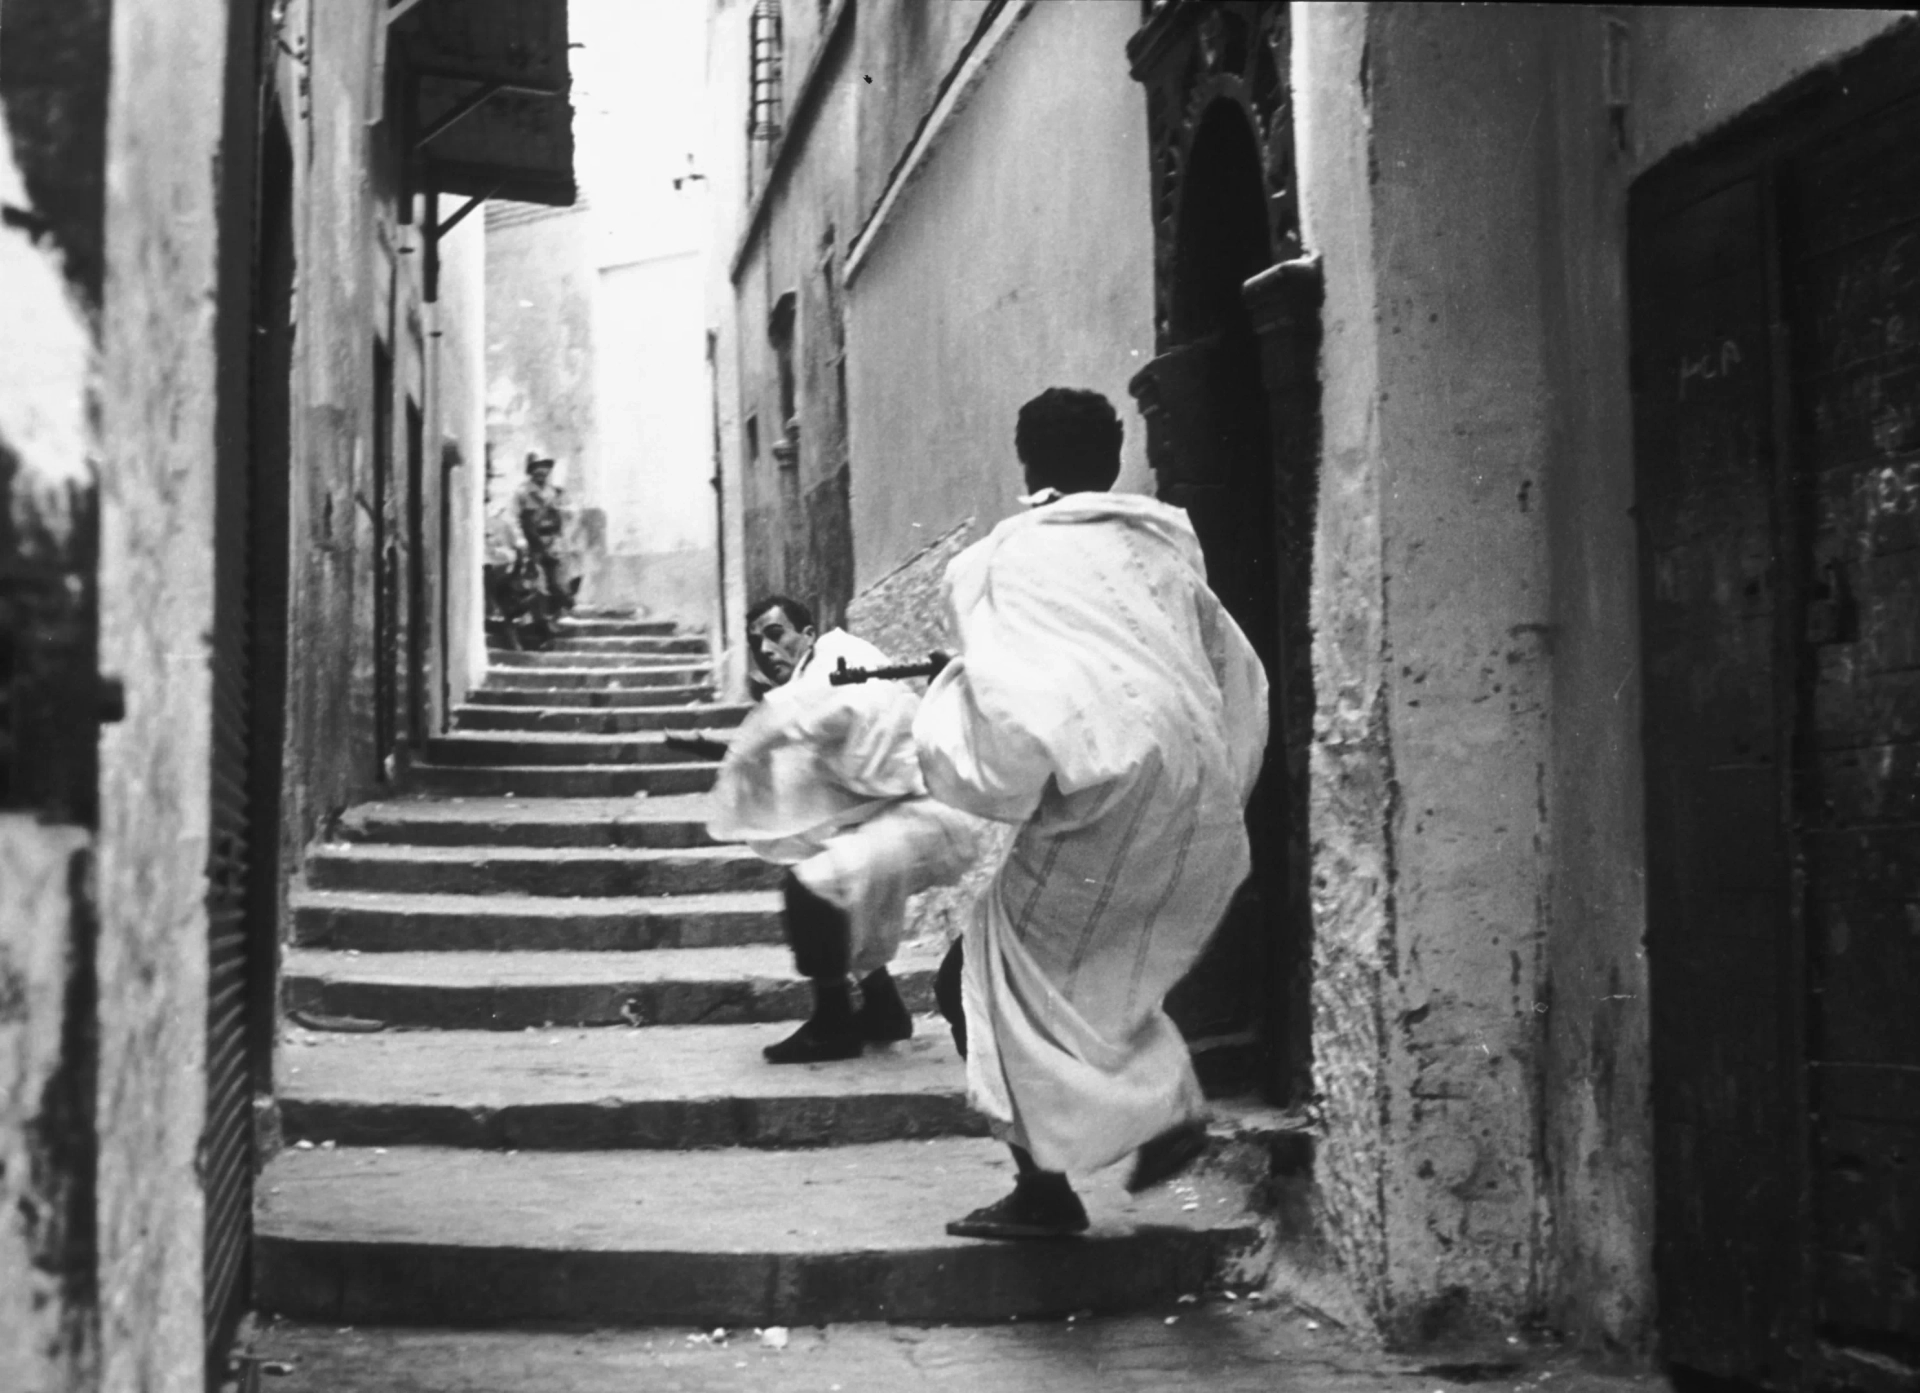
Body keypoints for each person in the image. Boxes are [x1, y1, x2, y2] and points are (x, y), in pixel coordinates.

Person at [913, 387, 1269, 1239]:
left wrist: (946, 699)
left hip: (1103, 790)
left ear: (1026, 462)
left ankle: (1063, 1180)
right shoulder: (1165, 545)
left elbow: (1011, 709)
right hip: (1194, 786)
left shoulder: (1003, 558)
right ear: (1115, 462)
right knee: (1097, 976)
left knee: (980, 974)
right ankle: (1144, 1116)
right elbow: (1231, 668)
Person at [702, 596, 987, 1065]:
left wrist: (780, 731)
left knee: (811, 888)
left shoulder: (840, 659)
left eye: (775, 634)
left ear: (808, 635)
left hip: (931, 812)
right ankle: (884, 1010)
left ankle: (833, 1023)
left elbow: (848, 722)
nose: (765, 649)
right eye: (756, 642)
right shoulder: (808, 684)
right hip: (901, 815)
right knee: (839, 886)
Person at [513, 452, 578, 612]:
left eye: (545, 467)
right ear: (531, 470)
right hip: (534, 541)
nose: (542, 471)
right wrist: (527, 542)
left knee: (558, 578)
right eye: (537, 468)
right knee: (538, 583)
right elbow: (520, 520)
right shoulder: (523, 492)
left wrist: (562, 512)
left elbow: (565, 515)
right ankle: (543, 618)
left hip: (553, 541)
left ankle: (560, 609)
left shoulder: (555, 492)